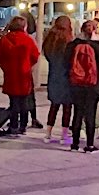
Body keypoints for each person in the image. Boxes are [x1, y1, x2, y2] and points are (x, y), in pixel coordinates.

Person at [67, 20, 99, 153]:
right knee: (90, 112)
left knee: (77, 112)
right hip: (94, 83)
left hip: (76, 83)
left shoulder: (73, 44)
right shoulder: (98, 45)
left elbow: (66, 61)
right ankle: (90, 145)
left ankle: (74, 144)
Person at [0, 15, 40, 136]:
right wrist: (28, 65)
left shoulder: (4, 39)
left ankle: (14, 125)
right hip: (24, 75)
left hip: (10, 75)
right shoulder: (28, 40)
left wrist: (5, 67)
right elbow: (35, 56)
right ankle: (23, 126)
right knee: (24, 101)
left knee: (13, 102)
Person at [41, 15, 75, 144]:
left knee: (54, 105)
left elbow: (47, 55)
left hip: (54, 75)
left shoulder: (49, 40)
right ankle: (64, 135)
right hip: (66, 77)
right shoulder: (68, 42)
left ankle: (48, 133)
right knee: (67, 107)